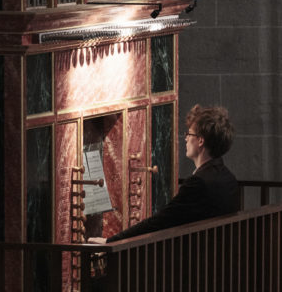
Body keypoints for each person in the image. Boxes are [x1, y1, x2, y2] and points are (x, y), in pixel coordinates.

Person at [89, 104, 239, 243]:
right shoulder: (228, 177)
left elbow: (161, 221)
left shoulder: (198, 183)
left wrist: (112, 241)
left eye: (189, 134)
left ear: (200, 141)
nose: (186, 138)